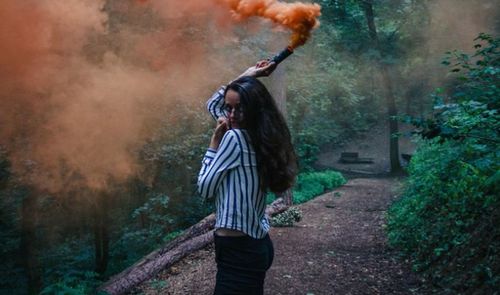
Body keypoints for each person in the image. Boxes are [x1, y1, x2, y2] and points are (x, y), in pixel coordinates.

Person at [197, 60, 298, 294]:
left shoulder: (234, 139)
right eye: (229, 108)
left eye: (238, 108)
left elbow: (204, 188)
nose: (230, 115)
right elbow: (214, 104)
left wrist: (214, 144)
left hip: (238, 253)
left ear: (253, 108)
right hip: (254, 245)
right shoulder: (261, 134)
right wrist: (249, 76)